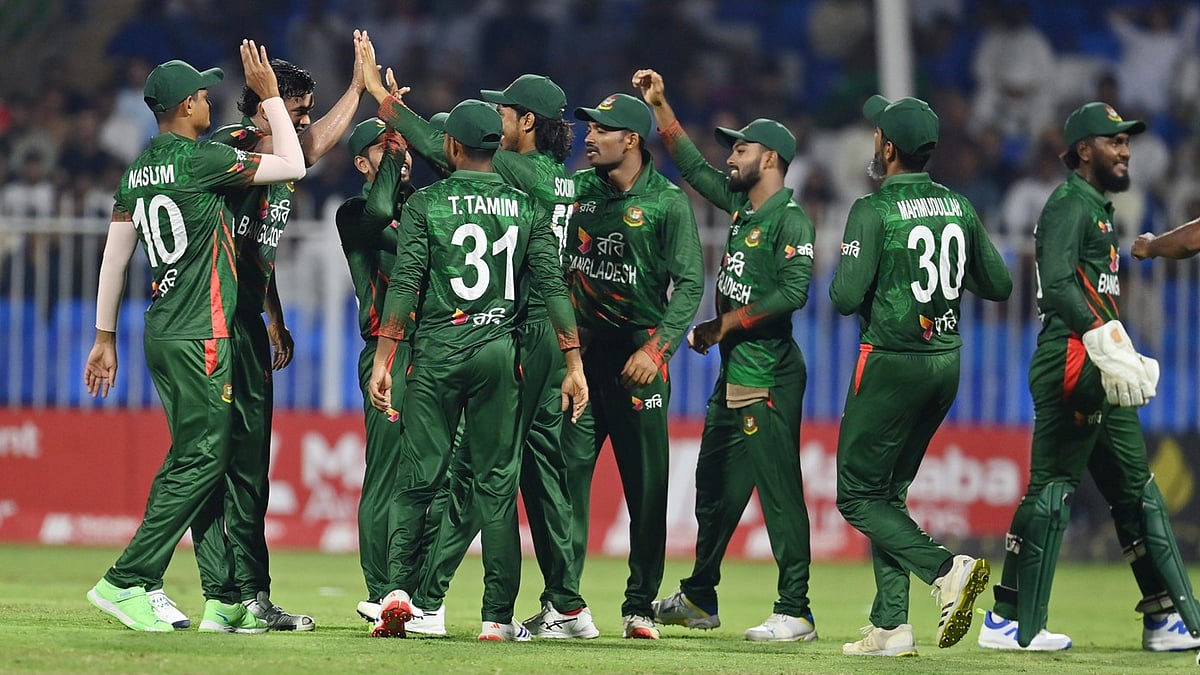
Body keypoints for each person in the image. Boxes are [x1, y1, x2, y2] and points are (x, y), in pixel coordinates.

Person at [356, 54, 597, 637]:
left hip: (513, 330)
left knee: (475, 471)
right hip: (536, 327)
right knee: (533, 468)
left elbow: (445, 150)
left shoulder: (519, 173)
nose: (499, 119)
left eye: (506, 112)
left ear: (527, 125)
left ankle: (429, 600)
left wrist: (385, 102)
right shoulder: (558, 178)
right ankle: (565, 603)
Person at [82, 43, 306, 633]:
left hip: (160, 330)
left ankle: (224, 594)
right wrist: (275, 101)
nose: (211, 99)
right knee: (204, 457)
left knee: (200, 458)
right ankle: (128, 580)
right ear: (186, 106)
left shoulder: (138, 170)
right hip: (203, 331)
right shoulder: (200, 161)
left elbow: (113, 259)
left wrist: (104, 336)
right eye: (204, 94)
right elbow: (293, 165)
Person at [981, 102, 1200, 653]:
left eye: (1126, 142)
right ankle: (1013, 623)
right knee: (1051, 491)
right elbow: (1056, 286)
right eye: (1113, 142)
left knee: (1137, 492)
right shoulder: (1068, 205)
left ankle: (1168, 619)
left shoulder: (1099, 211)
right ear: (1084, 151)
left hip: (1098, 358)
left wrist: (1112, 334)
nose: (1125, 151)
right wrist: (1103, 336)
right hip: (1072, 357)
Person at [633, 68, 819, 643]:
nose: (730, 157)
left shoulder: (789, 219)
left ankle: (796, 609)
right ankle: (699, 596)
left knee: (779, 490)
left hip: (767, 376)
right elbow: (690, 168)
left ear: (771, 159)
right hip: (736, 376)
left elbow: (793, 293)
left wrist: (721, 326)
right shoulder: (743, 209)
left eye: (740, 147)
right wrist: (660, 106)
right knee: (712, 485)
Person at [200, 31, 372, 632]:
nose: (303, 126)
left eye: (303, 114)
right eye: (292, 113)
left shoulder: (281, 161)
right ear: (261, 111)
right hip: (213, 328)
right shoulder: (235, 149)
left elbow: (255, 248)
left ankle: (243, 598)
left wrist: (274, 313)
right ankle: (226, 594)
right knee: (218, 465)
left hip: (247, 322)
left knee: (245, 468)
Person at [830, 94, 1012, 657]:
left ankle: (946, 570)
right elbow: (1000, 285)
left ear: (887, 147)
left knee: (856, 497)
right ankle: (890, 627)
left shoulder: (873, 208)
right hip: (945, 361)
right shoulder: (957, 205)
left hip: (890, 360)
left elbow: (843, 297)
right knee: (889, 494)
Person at [565, 92, 704, 640]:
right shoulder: (576, 190)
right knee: (567, 480)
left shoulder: (668, 204)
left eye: (602, 130)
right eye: (589, 127)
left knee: (647, 487)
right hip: (582, 356)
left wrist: (656, 350)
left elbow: (690, 282)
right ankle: (565, 603)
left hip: (638, 355)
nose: (589, 137)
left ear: (632, 140)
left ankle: (640, 606)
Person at [334, 118, 415, 624]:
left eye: (404, 146)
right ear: (363, 164)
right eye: (386, 150)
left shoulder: (429, 204)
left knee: (439, 474)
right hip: (392, 353)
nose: (401, 156)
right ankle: (381, 590)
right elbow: (390, 221)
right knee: (387, 472)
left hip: (442, 349)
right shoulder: (355, 214)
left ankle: (416, 591)